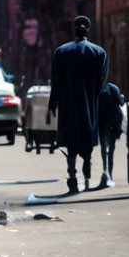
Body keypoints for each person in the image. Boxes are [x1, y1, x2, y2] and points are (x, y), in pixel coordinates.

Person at [48, 16, 108, 193]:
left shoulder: (60, 52)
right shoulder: (99, 52)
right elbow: (102, 84)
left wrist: (53, 103)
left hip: (68, 104)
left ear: (74, 30)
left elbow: (56, 81)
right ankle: (87, 161)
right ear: (87, 30)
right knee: (87, 136)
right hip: (90, 103)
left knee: (71, 141)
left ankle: (72, 174)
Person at [98, 82, 125, 187]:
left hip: (101, 121)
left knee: (103, 149)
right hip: (113, 122)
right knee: (111, 150)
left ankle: (104, 173)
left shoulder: (97, 88)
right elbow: (120, 102)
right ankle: (110, 175)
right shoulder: (113, 87)